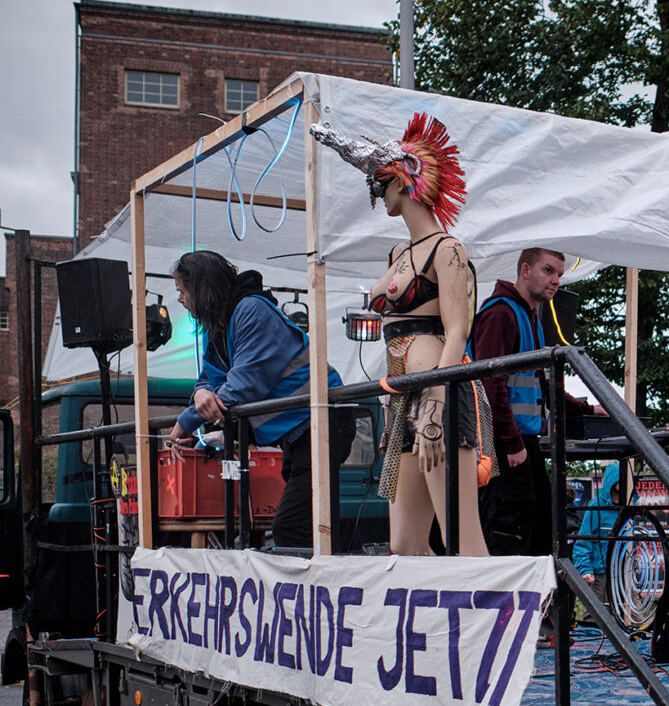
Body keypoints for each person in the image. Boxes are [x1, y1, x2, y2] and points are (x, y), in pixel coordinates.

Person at [311, 112, 491, 556]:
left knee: (460, 538)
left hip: (437, 394)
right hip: (401, 397)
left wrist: (434, 405)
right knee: (405, 546)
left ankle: (503, 622)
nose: (378, 192)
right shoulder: (398, 251)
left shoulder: (448, 250)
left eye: (381, 182)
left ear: (404, 180)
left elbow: (457, 333)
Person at [169, 252, 352, 549]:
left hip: (323, 420)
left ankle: (319, 586)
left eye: (182, 290)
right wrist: (200, 395)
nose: (179, 298)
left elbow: (244, 385)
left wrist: (188, 420)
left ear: (200, 288)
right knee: (310, 523)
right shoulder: (219, 324)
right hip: (300, 429)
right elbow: (209, 380)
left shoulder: (251, 310)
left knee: (294, 525)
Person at [469, 248, 604, 557]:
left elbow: (542, 383)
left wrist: (587, 409)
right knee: (509, 530)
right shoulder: (501, 313)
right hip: (504, 446)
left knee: (539, 529)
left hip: (520, 442)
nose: (555, 280)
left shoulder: (529, 318)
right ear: (525, 270)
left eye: (559, 274)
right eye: (548, 271)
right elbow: (490, 383)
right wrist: (512, 441)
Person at [571, 461, 624, 602]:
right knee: (595, 617)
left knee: (628, 618)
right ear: (612, 481)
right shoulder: (596, 506)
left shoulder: (628, 507)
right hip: (601, 574)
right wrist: (585, 569)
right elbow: (583, 540)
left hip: (623, 572)